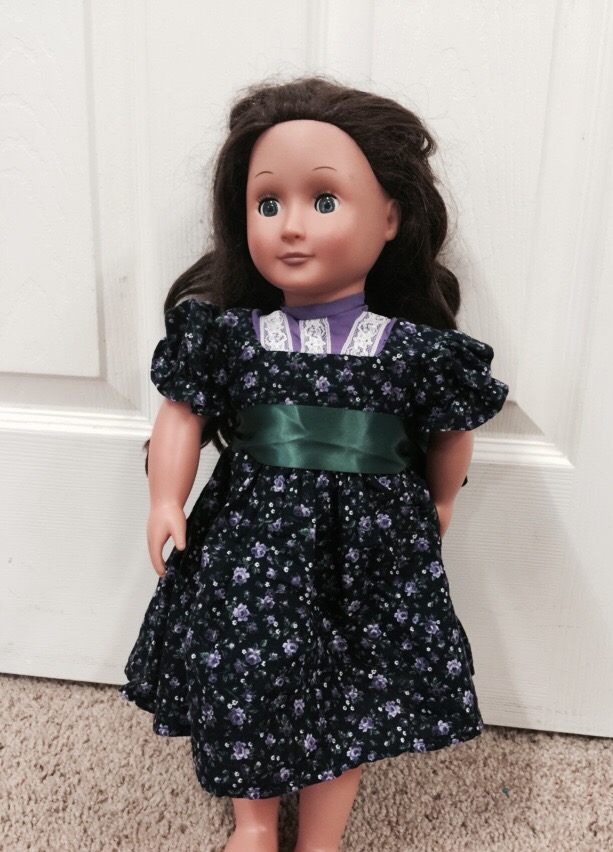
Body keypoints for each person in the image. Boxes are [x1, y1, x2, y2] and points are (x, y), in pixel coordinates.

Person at [118, 75, 509, 852]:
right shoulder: (232, 338)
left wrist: (441, 501)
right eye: (268, 204)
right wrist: (167, 497)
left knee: (349, 692)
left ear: (390, 217)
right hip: (251, 545)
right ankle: (255, 821)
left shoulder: (414, 352)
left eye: (323, 200)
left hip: (367, 553)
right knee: (246, 671)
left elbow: (449, 434)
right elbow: (183, 412)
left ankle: (321, 838)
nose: (291, 226)